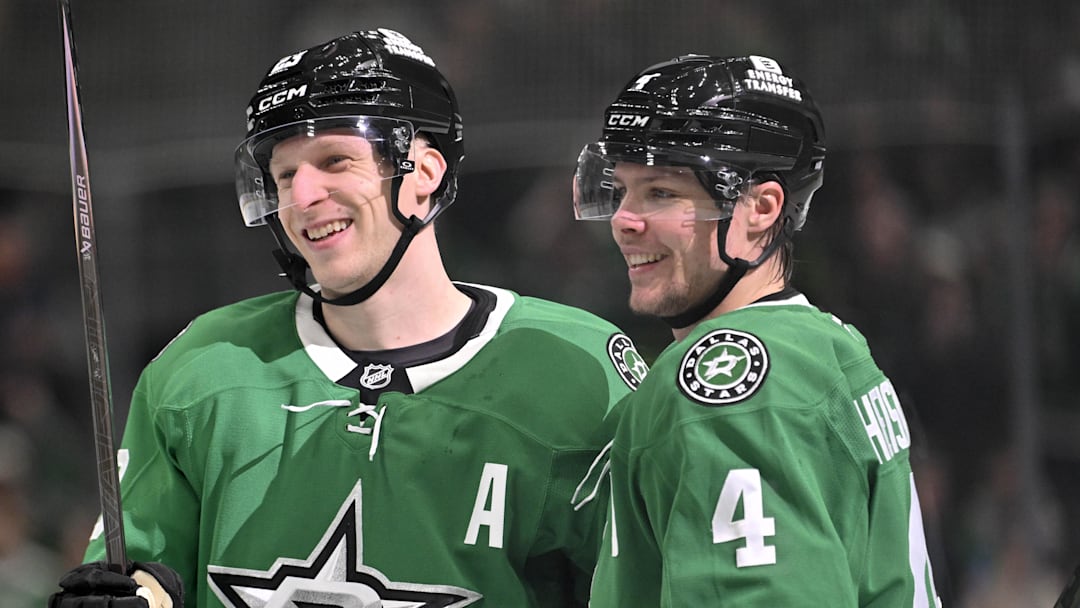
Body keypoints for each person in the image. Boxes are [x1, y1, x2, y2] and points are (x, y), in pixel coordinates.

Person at [49, 28, 646, 608]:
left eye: (335, 161)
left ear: (425, 172)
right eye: (285, 175)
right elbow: (148, 571)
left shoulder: (576, 369)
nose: (302, 196)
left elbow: (644, 580)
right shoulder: (205, 366)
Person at [570, 54, 942, 606]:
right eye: (622, 189)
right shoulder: (830, 346)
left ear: (761, 207)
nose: (624, 219)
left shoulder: (729, 390)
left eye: (661, 192)